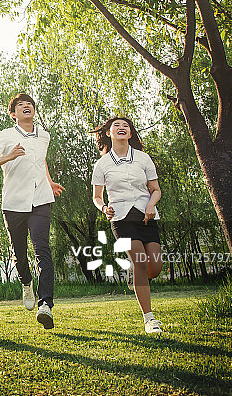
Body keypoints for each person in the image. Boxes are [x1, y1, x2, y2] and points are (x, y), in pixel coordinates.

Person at [0, 93, 64, 329]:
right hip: (14, 202)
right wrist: (9, 156)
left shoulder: (44, 135)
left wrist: (49, 181)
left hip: (40, 198)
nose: (26, 106)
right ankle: (26, 283)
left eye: (29, 104)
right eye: (21, 105)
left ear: (34, 111)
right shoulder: (5, 135)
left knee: (42, 248)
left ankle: (45, 305)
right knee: (19, 252)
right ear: (13, 114)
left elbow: (41, 161)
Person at [91, 116, 164, 334]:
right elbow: (97, 197)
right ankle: (149, 319)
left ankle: (137, 274)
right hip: (121, 218)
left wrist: (151, 205)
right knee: (140, 261)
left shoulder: (143, 158)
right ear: (108, 133)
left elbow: (156, 190)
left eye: (126, 126)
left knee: (155, 268)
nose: (122, 128)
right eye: (117, 126)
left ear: (130, 134)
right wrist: (104, 208)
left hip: (146, 216)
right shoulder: (102, 164)